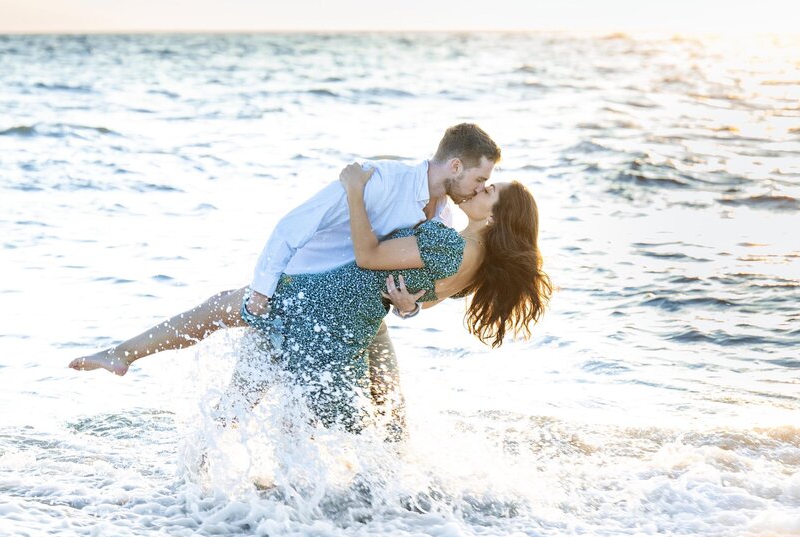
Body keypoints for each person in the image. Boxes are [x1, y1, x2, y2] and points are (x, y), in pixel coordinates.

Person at [70, 124, 503, 427]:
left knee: (386, 405)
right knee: (234, 361)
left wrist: (409, 309)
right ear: (455, 166)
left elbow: (404, 282)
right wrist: (261, 289)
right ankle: (124, 359)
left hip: (349, 311)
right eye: (482, 176)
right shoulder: (379, 180)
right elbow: (292, 227)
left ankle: (377, 498)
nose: (482, 186)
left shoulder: (443, 217)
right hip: (300, 283)